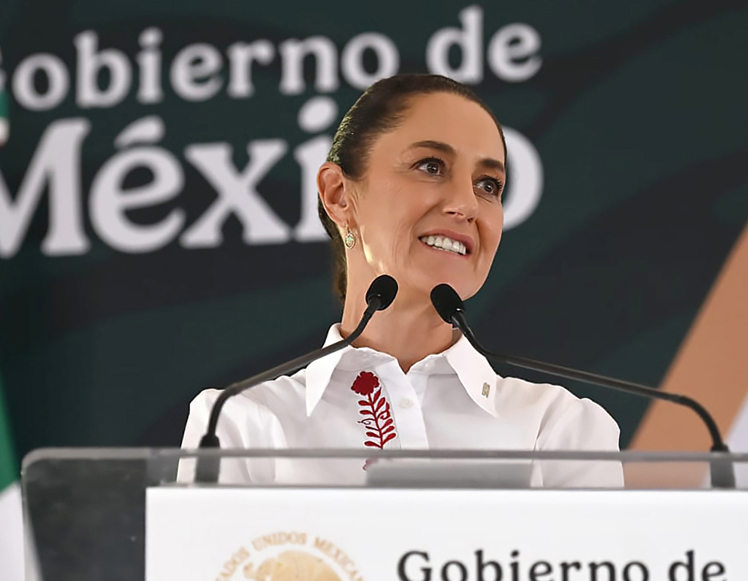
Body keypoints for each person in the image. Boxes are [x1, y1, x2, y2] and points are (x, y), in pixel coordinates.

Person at [181, 74, 621, 486]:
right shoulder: (240, 422)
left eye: (489, 184)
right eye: (431, 166)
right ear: (338, 194)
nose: (466, 204)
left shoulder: (559, 427)